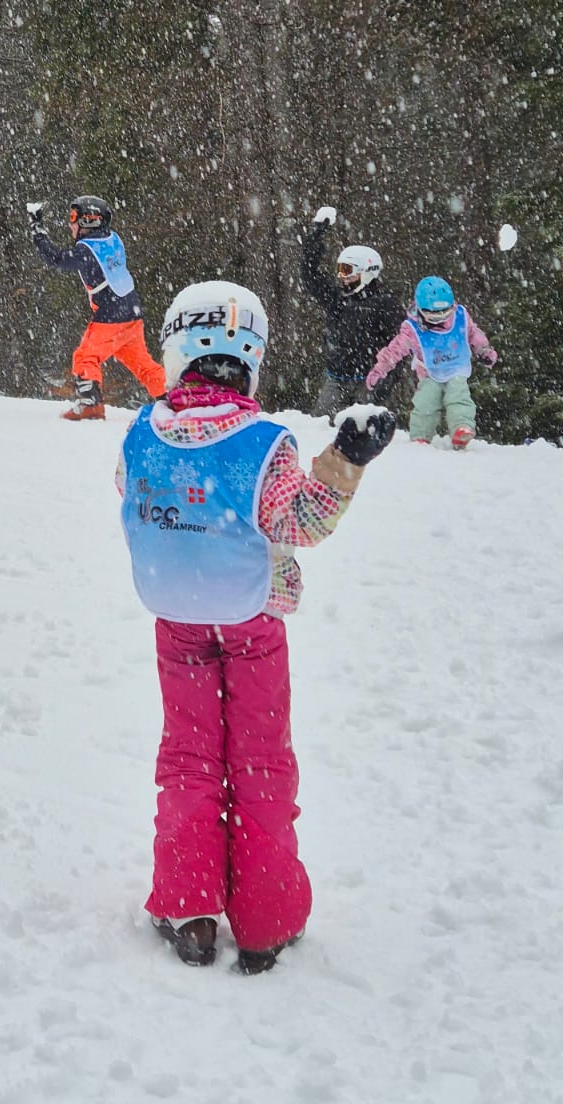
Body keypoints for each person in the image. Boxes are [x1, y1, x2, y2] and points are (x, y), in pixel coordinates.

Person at [117, 279, 395, 973]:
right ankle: (266, 920)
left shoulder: (142, 433)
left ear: (177, 352)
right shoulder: (263, 444)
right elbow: (300, 521)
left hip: (179, 622)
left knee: (189, 758)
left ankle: (189, 909)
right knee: (260, 762)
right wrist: (344, 462)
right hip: (253, 623)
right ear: (251, 361)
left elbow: (128, 489)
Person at [28, 195, 166, 420]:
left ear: (88, 220)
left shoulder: (87, 250)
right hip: (131, 311)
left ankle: (90, 402)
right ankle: (172, 398)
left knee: (85, 356)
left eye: (74, 217)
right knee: (142, 364)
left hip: (111, 314)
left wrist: (38, 231)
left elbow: (57, 259)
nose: (70, 224)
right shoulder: (113, 239)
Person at [366, 276, 497, 450]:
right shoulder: (412, 329)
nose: (440, 320)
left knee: (458, 396)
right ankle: (421, 435)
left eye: (444, 314)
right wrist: (380, 369)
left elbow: (473, 333)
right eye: (433, 316)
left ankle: (461, 428)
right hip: (429, 372)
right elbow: (395, 350)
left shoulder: (460, 316)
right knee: (426, 402)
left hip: (456, 368)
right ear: (421, 310)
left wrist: (485, 351)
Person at [299, 205, 405, 417]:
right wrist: (315, 236)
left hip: (369, 379)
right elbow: (310, 277)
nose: (342, 277)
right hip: (336, 378)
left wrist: (388, 378)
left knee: (363, 428)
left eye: (347, 271)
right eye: (340, 270)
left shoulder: (385, 305)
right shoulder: (337, 299)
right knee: (320, 425)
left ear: (366, 272)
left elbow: (401, 344)